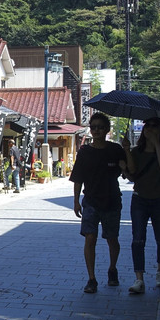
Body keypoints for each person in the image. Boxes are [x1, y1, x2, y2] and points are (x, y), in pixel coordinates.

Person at [69, 112, 128, 293]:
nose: (96, 130)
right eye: (93, 127)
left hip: (112, 200)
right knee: (90, 238)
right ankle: (92, 278)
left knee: (112, 239)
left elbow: (127, 172)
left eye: (100, 127)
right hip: (91, 201)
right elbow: (78, 177)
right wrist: (76, 201)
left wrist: (127, 151)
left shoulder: (115, 150)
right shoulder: (85, 152)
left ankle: (112, 269)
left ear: (107, 130)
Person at [124, 117, 160, 294]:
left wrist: (157, 145)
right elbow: (132, 172)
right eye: (147, 125)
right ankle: (139, 278)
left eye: (154, 126)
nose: (149, 128)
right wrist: (126, 150)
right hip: (140, 198)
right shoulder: (137, 151)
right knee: (138, 239)